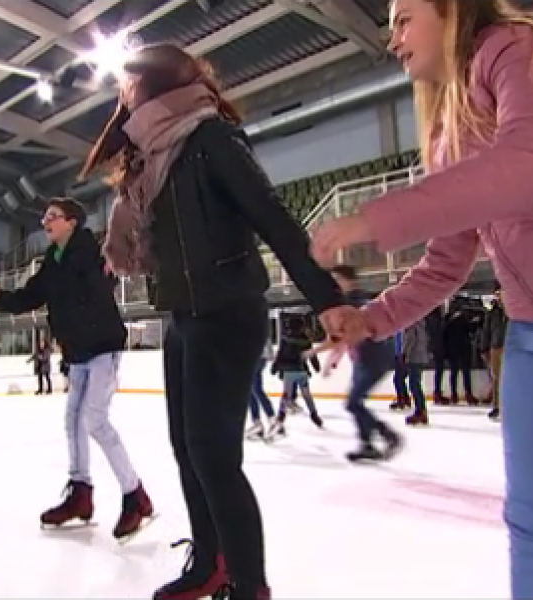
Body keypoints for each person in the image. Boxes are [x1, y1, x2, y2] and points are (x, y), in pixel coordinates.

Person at [310, 1, 533, 597]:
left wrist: (374, 220)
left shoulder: (520, 49)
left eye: (404, 19)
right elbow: (443, 265)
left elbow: (527, 161)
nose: (393, 41)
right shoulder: (446, 134)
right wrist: (369, 320)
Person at [79, 42, 360, 600]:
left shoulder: (210, 139)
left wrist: (326, 298)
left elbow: (272, 217)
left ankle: (250, 585)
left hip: (228, 311)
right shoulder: (150, 156)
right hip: (183, 314)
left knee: (213, 455)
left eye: (127, 83)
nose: (121, 94)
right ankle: (209, 563)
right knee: (186, 447)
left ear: (152, 84)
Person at [0, 198, 153, 542]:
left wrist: (109, 269)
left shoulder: (91, 251)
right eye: (45, 217)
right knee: (73, 420)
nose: (45, 222)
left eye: (52, 217)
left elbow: (105, 278)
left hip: (102, 347)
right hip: (77, 352)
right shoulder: (52, 263)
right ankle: (80, 493)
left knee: (95, 421)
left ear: (72, 222)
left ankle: (136, 497)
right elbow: (29, 297)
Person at [324, 265, 403, 461]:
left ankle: (387, 435)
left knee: (352, 403)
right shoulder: (352, 302)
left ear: (349, 281)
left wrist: (332, 358)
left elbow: (348, 335)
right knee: (354, 403)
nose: (334, 285)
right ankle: (367, 444)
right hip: (364, 359)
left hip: (373, 359)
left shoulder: (355, 303)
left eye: (337, 280)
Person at [480, 284, 507, 421]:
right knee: (496, 378)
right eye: (497, 293)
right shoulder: (492, 312)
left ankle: (511, 405)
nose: (499, 295)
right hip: (496, 347)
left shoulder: (512, 310)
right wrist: (484, 347)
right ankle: (497, 406)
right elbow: (486, 330)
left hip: (511, 347)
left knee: (510, 378)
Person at [401, 315, 431, 426]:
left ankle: (421, 411)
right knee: (415, 383)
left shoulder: (411, 320)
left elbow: (410, 338)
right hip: (420, 355)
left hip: (414, 356)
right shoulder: (420, 320)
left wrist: (404, 354)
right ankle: (421, 411)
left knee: (414, 384)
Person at [245, 340, 277, 441]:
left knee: (256, 388)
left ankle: (273, 420)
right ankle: (257, 422)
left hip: (257, 355)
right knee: (250, 389)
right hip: (256, 355)